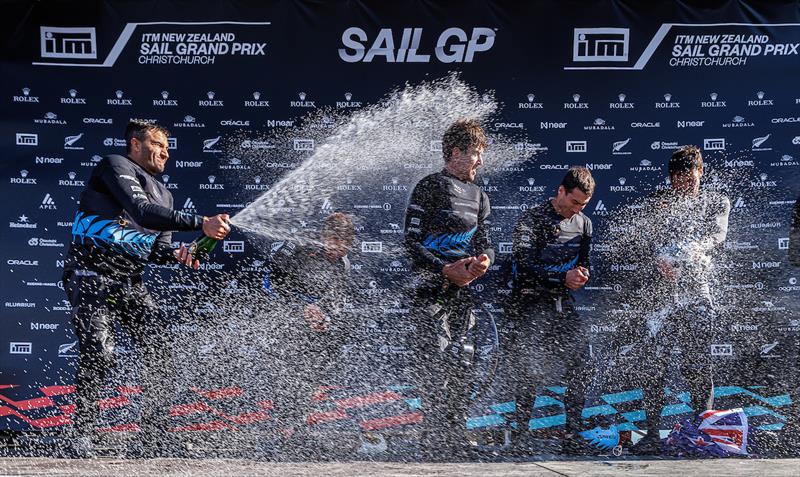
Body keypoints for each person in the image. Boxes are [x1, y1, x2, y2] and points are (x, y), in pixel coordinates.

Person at [62, 120, 231, 457]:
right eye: (157, 143)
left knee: (161, 354)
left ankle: (151, 436)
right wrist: (201, 222)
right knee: (100, 352)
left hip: (130, 282)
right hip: (91, 274)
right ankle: (79, 436)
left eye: (168, 146)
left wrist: (185, 253)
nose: (166, 151)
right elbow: (141, 211)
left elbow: (156, 249)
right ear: (135, 144)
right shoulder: (116, 165)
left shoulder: (165, 194)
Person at [403, 118, 494, 459]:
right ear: (456, 153)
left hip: (464, 293)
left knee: (464, 361)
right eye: (476, 154)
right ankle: (433, 433)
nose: (480, 162)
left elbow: (488, 245)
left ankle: (456, 429)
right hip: (429, 290)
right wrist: (444, 269)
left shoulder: (480, 196)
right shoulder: (429, 186)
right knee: (436, 360)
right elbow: (411, 243)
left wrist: (484, 262)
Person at [631, 145, 730, 455]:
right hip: (660, 297)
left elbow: (716, 236)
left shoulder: (717, 201)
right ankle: (650, 434)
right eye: (675, 179)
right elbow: (644, 242)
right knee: (654, 364)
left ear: (700, 171)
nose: (681, 185)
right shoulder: (660, 203)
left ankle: (704, 432)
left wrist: (685, 256)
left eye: (687, 178)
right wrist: (658, 259)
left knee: (698, 364)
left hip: (696, 294)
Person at [507, 166, 594, 455]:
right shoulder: (532, 219)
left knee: (581, 363)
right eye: (574, 202)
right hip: (531, 305)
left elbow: (584, 263)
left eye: (583, 205)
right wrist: (561, 278)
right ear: (561, 191)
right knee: (530, 370)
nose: (577, 209)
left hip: (563, 306)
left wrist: (582, 274)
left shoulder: (584, 224)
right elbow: (524, 266)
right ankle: (519, 437)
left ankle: (572, 435)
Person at [261, 212, 355, 458]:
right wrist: (299, 308)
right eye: (336, 241)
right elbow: (269, 283)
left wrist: (325, 317)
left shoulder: (343, 263)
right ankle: (279, 435)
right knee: (286, 377)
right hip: (283, 317)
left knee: (308, 379)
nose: (340, 249)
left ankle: (299, 431)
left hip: (313, 326)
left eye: (346, 245)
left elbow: (336, 299)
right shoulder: (299, 247)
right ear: (324, 236)